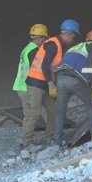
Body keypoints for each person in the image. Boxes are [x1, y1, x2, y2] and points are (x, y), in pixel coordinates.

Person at [22, 19, 80, 147]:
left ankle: (49, 138)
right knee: (34, 113)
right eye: (73, 36)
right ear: (68, 34)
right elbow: (44, 66)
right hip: (36, 83)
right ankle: (26, 142)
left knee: (53, 112)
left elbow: (53, 66)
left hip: (45, 83)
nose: (72, 40)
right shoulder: (53, 44)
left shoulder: (59, 45)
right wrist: (51, 84)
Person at [53, 30, 92, 148]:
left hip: (60, 77)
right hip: (75, 78)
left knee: (60, 111)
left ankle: (57, 142)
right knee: (91, 106)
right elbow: (91, 69)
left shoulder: (74, 46)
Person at [12, 24, 49, 122]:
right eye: (45, 39)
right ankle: (52, 135)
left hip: (20, 87)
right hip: (29, 88)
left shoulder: (26, 48)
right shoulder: (35, 51)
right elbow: (39, 70)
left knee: (28, 116)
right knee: (47, 113)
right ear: (41, 39)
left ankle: (27, 137)